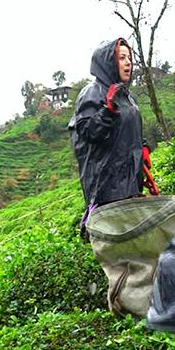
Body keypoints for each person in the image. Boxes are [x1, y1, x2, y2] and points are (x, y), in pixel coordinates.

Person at [70, 37, 149, 219]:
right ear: (108, 63)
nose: (128, 62)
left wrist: (143, 148)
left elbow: (130, 129)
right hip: (107, 185)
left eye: (129, 57)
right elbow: (88, 132)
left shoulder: (128, 96)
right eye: (122, 58)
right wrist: (108, 110)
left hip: (131, 177)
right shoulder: (92, 92)